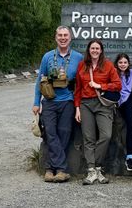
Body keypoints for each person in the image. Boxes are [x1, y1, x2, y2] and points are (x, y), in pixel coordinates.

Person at [32, 26, 83, 183]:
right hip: (49, 101)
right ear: (56, 38)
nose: (63, 38)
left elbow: (80, 83)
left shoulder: (78, 57)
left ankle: (54, 170)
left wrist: (78, 106)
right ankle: (55, 169)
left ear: (70, 38)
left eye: (65, 35)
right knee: (50, 134)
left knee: (64, 133)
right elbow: (40, 80)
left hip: (68, 101)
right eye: (60, 35)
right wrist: (36, 102)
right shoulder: (48, 57)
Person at [74, 40, 122, 185]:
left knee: (106, 135)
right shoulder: (82, 66)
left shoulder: (107, 65)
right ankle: (91, 171)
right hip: (86, 104)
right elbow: (77, 89)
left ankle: (98, 167)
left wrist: (100, 85)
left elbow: (117, 85)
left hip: (102, 104)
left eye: (97, 48)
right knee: (88, 138)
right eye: (92, 48)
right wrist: (77, 108)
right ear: (89, 50)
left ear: (101, 51)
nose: (94, 50)